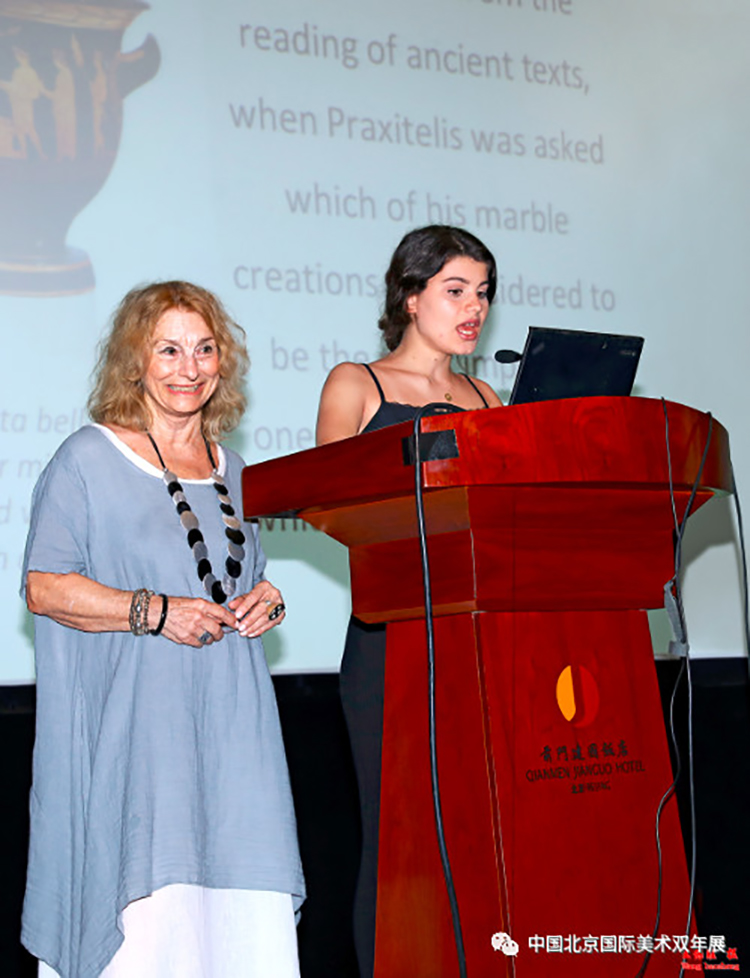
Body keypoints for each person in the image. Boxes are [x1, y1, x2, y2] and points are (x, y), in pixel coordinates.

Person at [22, 281, 305, 978]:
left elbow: (240, 580)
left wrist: (267, 600)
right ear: (135, 362)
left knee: (243, 933)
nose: (190, 367)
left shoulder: (236, 471)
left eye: (205, 349)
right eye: (169, 350)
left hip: (236, 747)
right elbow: (43, 587)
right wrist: (154, 612)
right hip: (142, 752)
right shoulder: (88, 458)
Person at [315, 225, 501, 977]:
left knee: (477, 828)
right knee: (396, 834)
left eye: (483, 293)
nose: (474, 308)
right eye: (456, 290)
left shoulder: (486, 397)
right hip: (389, 636)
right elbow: (327, 502)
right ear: (411, 297)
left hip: (475, 638)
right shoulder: (357, 383)